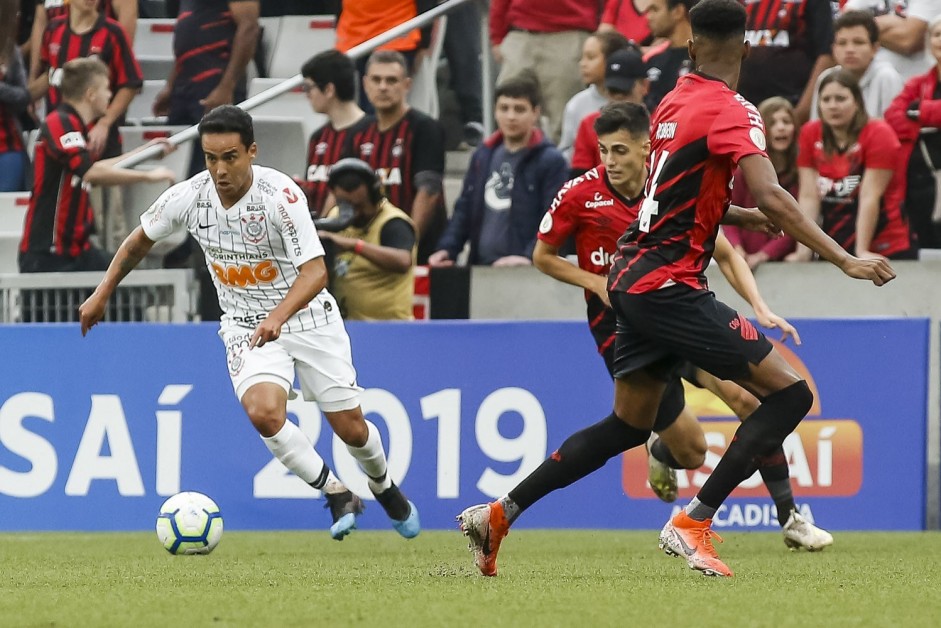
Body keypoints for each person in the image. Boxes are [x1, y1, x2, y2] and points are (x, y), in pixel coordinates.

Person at [463, 0, 895, 579]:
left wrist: (738, 214)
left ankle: (499, 513)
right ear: (747, 48)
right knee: (789, 396)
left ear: (689, 48)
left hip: (631, 280)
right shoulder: (735, 110)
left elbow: (677, 199)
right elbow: (774, 193)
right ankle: (694, 521)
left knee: (628, 424)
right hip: (670, 285)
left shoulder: (672, 100)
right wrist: (844, 258)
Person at [456, 102, 832, 578]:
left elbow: (719, 238)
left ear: (645, 147)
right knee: (769, 401)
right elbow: (543, 255)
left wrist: (756, 292)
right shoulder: (583, 193)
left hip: (647, 306)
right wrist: (593, 282)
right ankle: (694, 520)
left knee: (666, 420)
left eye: (619, 150)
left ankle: (500, 512)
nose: (610, 160)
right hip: (640, 315)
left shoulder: (664, 176)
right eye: (603, 151)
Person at [78, 105, 421, 541]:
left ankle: (383, 486)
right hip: (244, 324)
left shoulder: (281, 196)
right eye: (210, 158)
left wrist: (279, 317)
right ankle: (336, 492)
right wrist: (103, 290)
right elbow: (139, 240)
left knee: (352, 429)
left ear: (252, 152)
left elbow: (316, 272)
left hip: (309, 320)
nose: (220, 169)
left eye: (230, 157)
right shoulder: (189, 197)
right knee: (263, 413)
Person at [18, 57, 174, 273]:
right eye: (106, 89)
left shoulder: (74, 126)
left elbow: (92, 167)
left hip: (76, 251)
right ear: (91, 94)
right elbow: (91, 173)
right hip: (49, 254)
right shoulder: (60, 122)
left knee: (130, 286)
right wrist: (148, 176)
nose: (110, 95)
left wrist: (145, 152)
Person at [428, 75, 567, 267]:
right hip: (481, 267)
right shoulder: (483, 155)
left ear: (535, 113)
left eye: (519, 109)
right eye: (504, 108)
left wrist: (528, 257)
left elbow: (555, 219)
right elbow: (465, 208)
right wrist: (447, 248)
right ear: (495, 111)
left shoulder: (551, 161)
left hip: (527, 272)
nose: (511, 116)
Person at [791, 70, 916, 261]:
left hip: (885, 243)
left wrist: (861, 251)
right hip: (835, 244)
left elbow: (869, 196)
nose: (833, 106)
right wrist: (803, 251)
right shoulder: (810, 133)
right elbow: (809, 197)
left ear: (857, 102)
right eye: (826, 99)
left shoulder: (879, 133)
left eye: (841, 99)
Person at [351, 50, 446, 264]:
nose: (383, 87)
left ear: (407, 85)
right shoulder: (358, 132)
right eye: (376, 80)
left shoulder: (424, 128)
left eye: (391, 80)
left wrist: (407, 244)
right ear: (365, 84)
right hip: (368, 251)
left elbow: (429, 192)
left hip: (417, 256)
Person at [152, 0, 260, 177]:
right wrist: (171, 86)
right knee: (176, 166)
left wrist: (227, 86)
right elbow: (187, 39)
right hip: (184, 87)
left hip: (215, 84)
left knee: (214, 168)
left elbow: (249, 28)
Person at [31, 0, 142, 160]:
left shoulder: (112, 33)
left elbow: (130, 84)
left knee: (98, 179)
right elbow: (50, 76)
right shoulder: (53, 30)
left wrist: (104, 123)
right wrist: (24, 97)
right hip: (59, 134)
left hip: (98, 139)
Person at [490, 0, 603, 143]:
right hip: (520, 34)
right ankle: (511, 163)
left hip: (570, 34)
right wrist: (497, 35)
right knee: (510, 112)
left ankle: (566, 164)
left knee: (565, 122)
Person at [319, 158, 417, 320]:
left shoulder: (393, 222)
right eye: (346, 205)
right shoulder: (335, 217)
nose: (352, 213)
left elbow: (403, 261)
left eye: (358, 206)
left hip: (387, 326)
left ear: (374, 196)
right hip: (346, 323)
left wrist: (353, 245)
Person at [885, 14, 941, 249]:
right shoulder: (917, 83)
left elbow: (909, 114)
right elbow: (893, 116)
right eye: (938, 34)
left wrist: (920, 111)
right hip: (919, 182)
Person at [725, 97, 798, 269]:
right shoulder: (743, 170)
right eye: (772, 122)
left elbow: (796, 221)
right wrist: (737, 250)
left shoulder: (799, 172)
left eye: (786, 121)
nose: (781, 127)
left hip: (784, 264)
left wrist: (764, 255)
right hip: (744, 258)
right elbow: (729, 211)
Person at [738, 0, 835, 125]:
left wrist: (801, 112)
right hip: (743, 112)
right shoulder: (733, 3)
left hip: (792, 108)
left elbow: (826, 55)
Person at [300, 50, 370, 218]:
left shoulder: (371, 132)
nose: (307, 95)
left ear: (329, 89)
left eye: (309, 87)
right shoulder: (318, 137)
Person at [811, 11, 904, 120]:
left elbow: (894, 129)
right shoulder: (825, 78)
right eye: (842, 43)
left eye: (858, 42)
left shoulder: (887, 77)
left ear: (875, 48)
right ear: (833, 49)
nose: (849, 50)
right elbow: (815, 127)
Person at [570, 46, 648, 175]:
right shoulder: (589, 124)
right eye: (613, 91)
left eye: (624, 91)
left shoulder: (659, 122)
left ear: (644, 86)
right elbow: (580, 176)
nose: (617, 99)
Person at [559, 30, 630, 161]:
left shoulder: (635, 98)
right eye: (582, 57)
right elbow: (565, 151)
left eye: (590, 57)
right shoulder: (576, 105)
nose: (583, 64)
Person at [28, 0, 138, 84]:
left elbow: (125, 37)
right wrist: (34, 75)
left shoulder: (113, 31)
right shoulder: (54, 26)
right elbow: (40, 22)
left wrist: (110, 114)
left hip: (100, 75)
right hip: (58, 69)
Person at [843, 0, 941, 80]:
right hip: (868, 85)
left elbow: (908, 40)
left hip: (914, 89)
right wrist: (889, 23)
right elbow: (847, 25)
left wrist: (865, 29)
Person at [643, 0, 697, 113]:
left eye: (655, 10)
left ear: (678, 11)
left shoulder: (703, 56)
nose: (648, 17)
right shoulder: (651, 58)